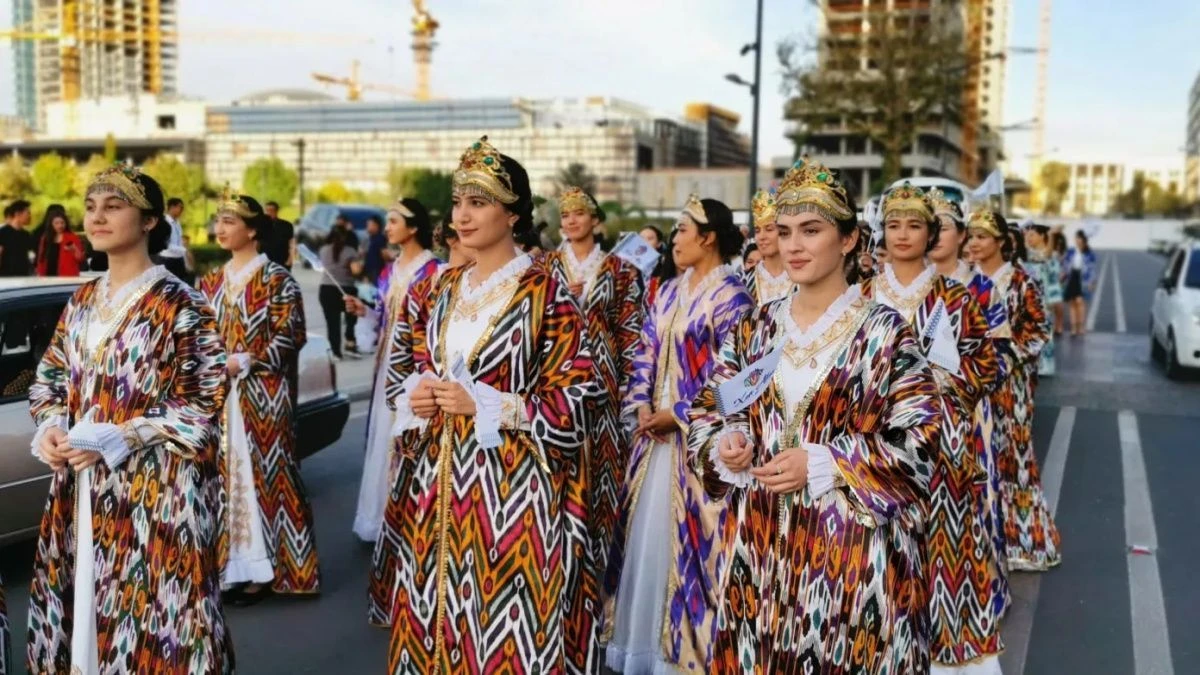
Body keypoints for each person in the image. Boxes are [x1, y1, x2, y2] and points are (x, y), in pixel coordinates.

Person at [684, 158, 941, 673]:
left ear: (847, 241)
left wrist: (826, 461)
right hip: (759, 555)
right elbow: (709, 411)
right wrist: (724, 446)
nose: (793, 245)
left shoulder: (886, 334)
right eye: (784, 232)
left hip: (852, 561)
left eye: (812, 230)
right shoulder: (755, 329)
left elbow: (924, 446)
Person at [385, 136, 594, 673]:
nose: (462, 214)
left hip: (514, 493)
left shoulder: (547, 293)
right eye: (458, 202)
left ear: (514, 213)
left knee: (501, 628)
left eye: (478, 202)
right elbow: (408, 366)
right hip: (437, 485)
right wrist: (420, 395)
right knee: (435, 612)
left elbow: (579, 399)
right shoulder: (441, 287)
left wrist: (489, 406)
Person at [27, 165, 232, 672]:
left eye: (113, 206)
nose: (97, 216)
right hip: (82, 487)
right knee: (86, 611)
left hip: (156, 495)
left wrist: (124, 435)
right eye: (92, 205)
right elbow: (50, 377)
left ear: (149, 221)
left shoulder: (181, 302)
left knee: (159, 618)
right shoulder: (80, 300)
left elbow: (203, 400)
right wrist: (51, 426)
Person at [604, 194, 750, 674]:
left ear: (708, 237)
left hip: (696, 445)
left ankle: (685, 654)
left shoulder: (734, 298)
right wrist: (642, 403)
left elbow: (737, 380)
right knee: (645, 546)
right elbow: (645, 349)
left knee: (693, 551)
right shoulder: (666, 290)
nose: (675, 239)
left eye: (684, 230)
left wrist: (681, 412)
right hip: (654, 442)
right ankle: (644, 647)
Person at [864, 183, 1004, 673]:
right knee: (873, 554)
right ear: (881, 231)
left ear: (932, 234)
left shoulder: (956, 297)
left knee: (940, 551)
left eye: (915, 225)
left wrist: (937, 379)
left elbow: (987, 368)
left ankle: (944, 653)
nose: (902, 234)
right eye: (894, 224)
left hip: (941, 449)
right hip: (872, 447)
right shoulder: (860, 294)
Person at [199, 189, 320, 605]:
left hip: (264, 395)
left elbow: (292, 334)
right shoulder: (210, 282)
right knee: (226, 481)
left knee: (269, 478)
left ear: (251, 230)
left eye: (229, 221)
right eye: (218, 220)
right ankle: (232, 568)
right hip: (221, 397)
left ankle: (276, 569)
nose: (220, 228)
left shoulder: (277, 279)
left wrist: (249, 359)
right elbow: (198, 336)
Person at [544, 187, 645, 663]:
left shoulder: (621, 270)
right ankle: (557, 593)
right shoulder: (543, 269)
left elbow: (631, 334)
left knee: (601, 494)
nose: (570, 221)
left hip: (603, 398)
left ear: (596, 220)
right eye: (564, 215)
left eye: (578, 214)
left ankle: (602, 598)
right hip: (555, 394)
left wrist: (630, 396)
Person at [369, 211, 472, 629]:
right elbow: (404, 358)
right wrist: (410, 397)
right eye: (454, 232)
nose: (463, 227)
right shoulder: (426, 288)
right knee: (421, 530)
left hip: (486, 441)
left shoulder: (530, 287)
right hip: (427, 432)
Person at [968, 210, 1060, 573]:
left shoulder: (1022, 281)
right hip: (975, 384)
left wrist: (1006, 355)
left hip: (1013, 386)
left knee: (1016, 458)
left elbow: (1039, 331)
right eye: (970, 236)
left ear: (1001, 241)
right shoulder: (965, 281)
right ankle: (983, 541)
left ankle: (1025, 541)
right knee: (980, 459)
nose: (973, 243)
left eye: (981, 236)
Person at [346, 198, 439, 548]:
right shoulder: (390, 270)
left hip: (414, 371)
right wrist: (365, 311)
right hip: (385, 366)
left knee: (404, 440)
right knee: (381, 439)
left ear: (413, 227)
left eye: (394, 220)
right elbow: (386, 320)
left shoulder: (434, 271)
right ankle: (380, 515)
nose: (387, 228)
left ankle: (407, 519)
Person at [1024, 223, 1063, 376]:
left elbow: (1046, 254)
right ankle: (1034, 362)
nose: (1029, 238)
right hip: (1031, 296)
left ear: (1042, 236)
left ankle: (1046, 365)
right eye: (1028, 235)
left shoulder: (1048, 254)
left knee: (1045, 330)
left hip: (1044, 297)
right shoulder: (1027, 253)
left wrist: (1052, 236)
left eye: (1032, 235)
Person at [742, 188, 793, 305]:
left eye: (769, 229)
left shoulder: (801, 276)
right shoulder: (745, 279)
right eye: (757, 230)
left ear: (784, 231)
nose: (761, 236)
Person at [318, 227, 362, 358]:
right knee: (351, 319)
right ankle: (350, 343)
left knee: (332, 323)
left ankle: (335, 351)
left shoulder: (323, 250)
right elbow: (356, 271)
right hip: (346, 289)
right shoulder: (350, 251)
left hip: (326, 289)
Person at [928, 189, 973, 285]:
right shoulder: (907, 284)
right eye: (930, 230)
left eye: (943, 229)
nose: (936, 237)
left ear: (961, 235)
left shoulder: (981, 286)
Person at [35, 205, 86, 276]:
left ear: (66, 223)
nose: (60, 226)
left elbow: (80, 259)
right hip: (47, 276)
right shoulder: (45, 238)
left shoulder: (72, 237)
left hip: (67, 277)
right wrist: (39, 273)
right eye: (56, 223)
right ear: (51, 224)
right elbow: (40, 259)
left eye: (62, 223)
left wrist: (74, 249)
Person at [1063, 230, 1097, 336]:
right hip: (1072, 277)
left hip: (1083, 279)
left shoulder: (1089, 253)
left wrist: (1092, 281)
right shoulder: (1071, 251)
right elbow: (1064, 264)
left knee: (1080, 302)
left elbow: (1092, 268)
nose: (1077, 240)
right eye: (1076, 238)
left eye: (1079, 238)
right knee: (1072, 303)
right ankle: (1073, 328)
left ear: (1084, 240)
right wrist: (1063, 275)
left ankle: (1081, 326)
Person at [158, 197, 190, 280]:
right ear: (172, 207)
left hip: (179, 260)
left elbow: (179, 242)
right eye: (180, 207)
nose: (182, 210)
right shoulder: (164, 223)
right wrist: (183, 250)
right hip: (168, 260)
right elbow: (166, 245)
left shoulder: (177, 223)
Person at [0, 199, 34, 277]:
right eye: (27, 213)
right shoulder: (3, 233)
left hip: (23, 276)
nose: (29, 216)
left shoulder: (26, 235)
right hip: (6, 277)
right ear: (17, 214)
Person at [264, 201, 295, 270]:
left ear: (277, 211)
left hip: (282, 261)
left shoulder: (287, 225)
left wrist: (290, 259)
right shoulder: (260, 225)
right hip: (265, 262)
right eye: (267, 210)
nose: (269, 213)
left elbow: (292, 243)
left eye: (271, 210)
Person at [361, 214, 389, 283]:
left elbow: (384, 254)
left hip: (376, 271)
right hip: (369, 270)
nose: (367, 227)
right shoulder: (370, 238)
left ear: (376, 226)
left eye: (369, 225)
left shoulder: (380, 238)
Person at [1050, 230, 1069, 334]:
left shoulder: (1064, 254)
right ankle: (1053, 325)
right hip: (1050, 279)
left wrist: (1062, 276)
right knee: (1050, 305)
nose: (1058, 245)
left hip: (1060, 281)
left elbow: (1066, 267)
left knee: (1059, 305)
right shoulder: (1049, 252)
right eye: (1057, 242)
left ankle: (1059, 325)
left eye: (1060, 243)